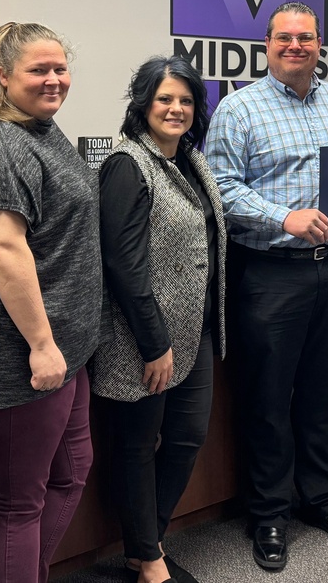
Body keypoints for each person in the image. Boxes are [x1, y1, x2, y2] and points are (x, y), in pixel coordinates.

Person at [205, 1, 328, 572]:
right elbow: (220, 189)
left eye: (305, 38)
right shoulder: (238, 109)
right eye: (284, 38)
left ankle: (322, 499)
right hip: (271, 275)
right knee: (268, 399)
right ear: (268, 44)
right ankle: (270, 513)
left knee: (323, 393)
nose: (295, 46)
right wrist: (284, 217)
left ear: (319, 43)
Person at [0, 22, 102, 583]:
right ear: (2, 75)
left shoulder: (41, 132)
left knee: (73, 470)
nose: (54, 79)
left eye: (60, 68)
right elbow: (4, 248)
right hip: (20, 353)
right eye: (39, 69)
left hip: (65, 346)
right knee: (17, 501)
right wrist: (41, 344)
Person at [90, 56, 226, 583]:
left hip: (196, 333)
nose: (175, 109)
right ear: (142, 103)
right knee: (137, 447)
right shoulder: (128, 163)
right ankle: (146, 558)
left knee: (188, 439)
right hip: (144, 340)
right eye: (164, 98)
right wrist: (154, 344)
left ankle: (150, 539)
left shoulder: (189, 158)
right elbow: (122, 263)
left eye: (186, 100)